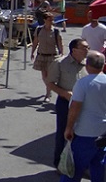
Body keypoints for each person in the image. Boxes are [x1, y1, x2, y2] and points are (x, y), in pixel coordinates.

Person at [62, 51, 106, 182]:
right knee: (98, 167)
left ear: (87, 65)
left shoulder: (83, 83)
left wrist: (69, 128)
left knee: (73, 170)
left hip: (84, 133)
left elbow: (75, 107)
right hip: (103, 133)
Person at [46, 38, 89, 168]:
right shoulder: (59, 63)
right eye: (84, 48)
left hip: (83, 104)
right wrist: (64, 93)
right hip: (66, 103)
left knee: (81, 134)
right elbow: (50, 83)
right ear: (74, 50)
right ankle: (59, 163)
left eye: (88, 47)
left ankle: (77, 163)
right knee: (63, 133)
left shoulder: (88, 64)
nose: (87, 50)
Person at [31, 12, 63, 102]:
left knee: (49, 76)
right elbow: (35, 42)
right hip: (41, 55)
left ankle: (48, 94)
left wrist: (61, 53)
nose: (51, 21)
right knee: (44, 76)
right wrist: (32, 52)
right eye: (49, 19)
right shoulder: (39, 29)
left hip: (52, 56)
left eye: (52, 19)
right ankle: (50, 88)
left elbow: (60, 43)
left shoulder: (56, 31)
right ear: (45, 20)